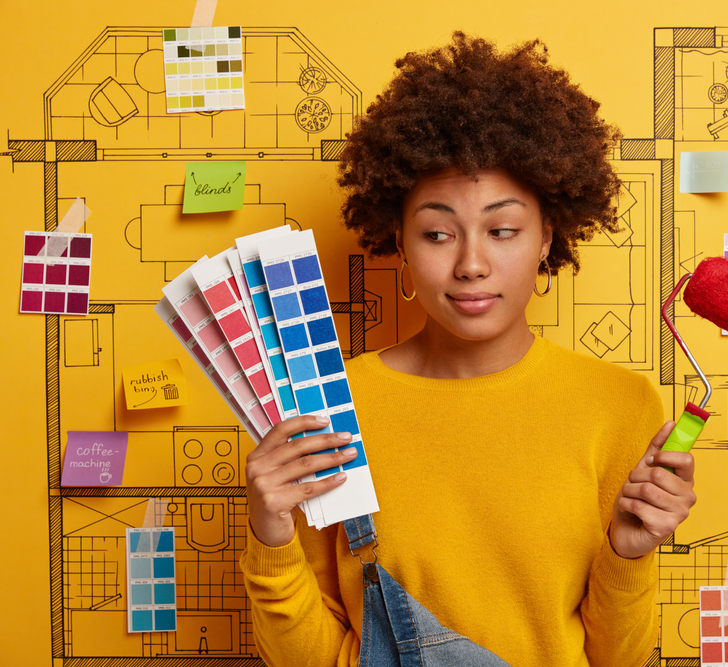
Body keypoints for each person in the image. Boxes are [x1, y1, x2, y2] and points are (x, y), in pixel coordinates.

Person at [240, 32, 696, 667]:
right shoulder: (324, 407)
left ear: (547, 238)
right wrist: (270, 533)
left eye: (502, 230)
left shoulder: (620, 407)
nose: (472, 264)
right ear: (398, 243)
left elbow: (618, 660)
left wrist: (629, 552)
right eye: (436, 233)